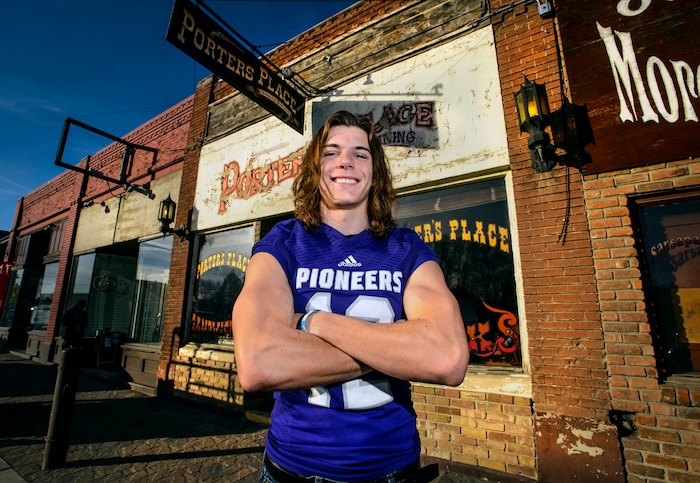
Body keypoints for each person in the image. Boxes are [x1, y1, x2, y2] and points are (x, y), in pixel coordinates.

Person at [231, 111, 469, 482]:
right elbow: (258, 362)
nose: (346, 160)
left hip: (392, 470)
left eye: (360, 153)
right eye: (331, 152)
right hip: (292, 471)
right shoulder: (283, 242)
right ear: (315, 171)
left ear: (375, 173)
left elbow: (448, 357)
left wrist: (313, 322)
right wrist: (396, 346)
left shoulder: (406, 248)